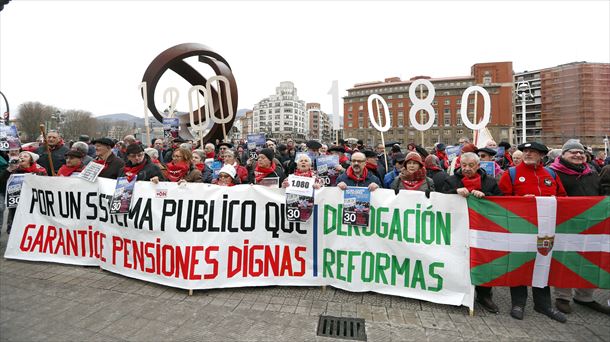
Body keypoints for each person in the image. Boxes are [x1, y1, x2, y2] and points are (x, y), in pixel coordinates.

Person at [498, 142, 567, 323]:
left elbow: (564, 198)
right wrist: (520, 201)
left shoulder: (551, 174)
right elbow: (501, 200)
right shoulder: (511, 174)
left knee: (543, 263)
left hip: (545, 230)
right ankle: (518, 303)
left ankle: (543, 304)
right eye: (525, 151)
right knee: (519, 263)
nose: (528, 154)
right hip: (520, 229)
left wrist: (554, 201)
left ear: (542, 156)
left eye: (533, 152)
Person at [548, 140, 610, 315]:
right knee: (566, 260)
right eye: (572, 152)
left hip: (592, 225)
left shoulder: (591, 172)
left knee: (590, 258)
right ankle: (563, 296)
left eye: (581, 152)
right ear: (563, 155)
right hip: (566, 225)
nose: (578, 155)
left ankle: (584, 296)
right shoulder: (553, 172)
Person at [441, 152, 502, 313]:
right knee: (458, 261)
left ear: (478, 166)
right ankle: (457, 293)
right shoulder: (451, 180)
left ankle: (484, 295)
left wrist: (486, 196)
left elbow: (500, 202)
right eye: (463, 165)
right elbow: (440, 200)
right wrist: (454, 192)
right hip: (457, 229)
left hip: (483, 230)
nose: (467, 169)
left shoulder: (489, 182)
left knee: (484, 261)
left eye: (470, 165)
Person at [1, 151, 47, 234]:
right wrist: (9, 169)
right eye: (20, 156)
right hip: (16, 205)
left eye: (25, 156)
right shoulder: (13, 170)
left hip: (33, 203)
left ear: (31, 160)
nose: (21, 157)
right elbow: (2, 182)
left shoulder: (40, 170)